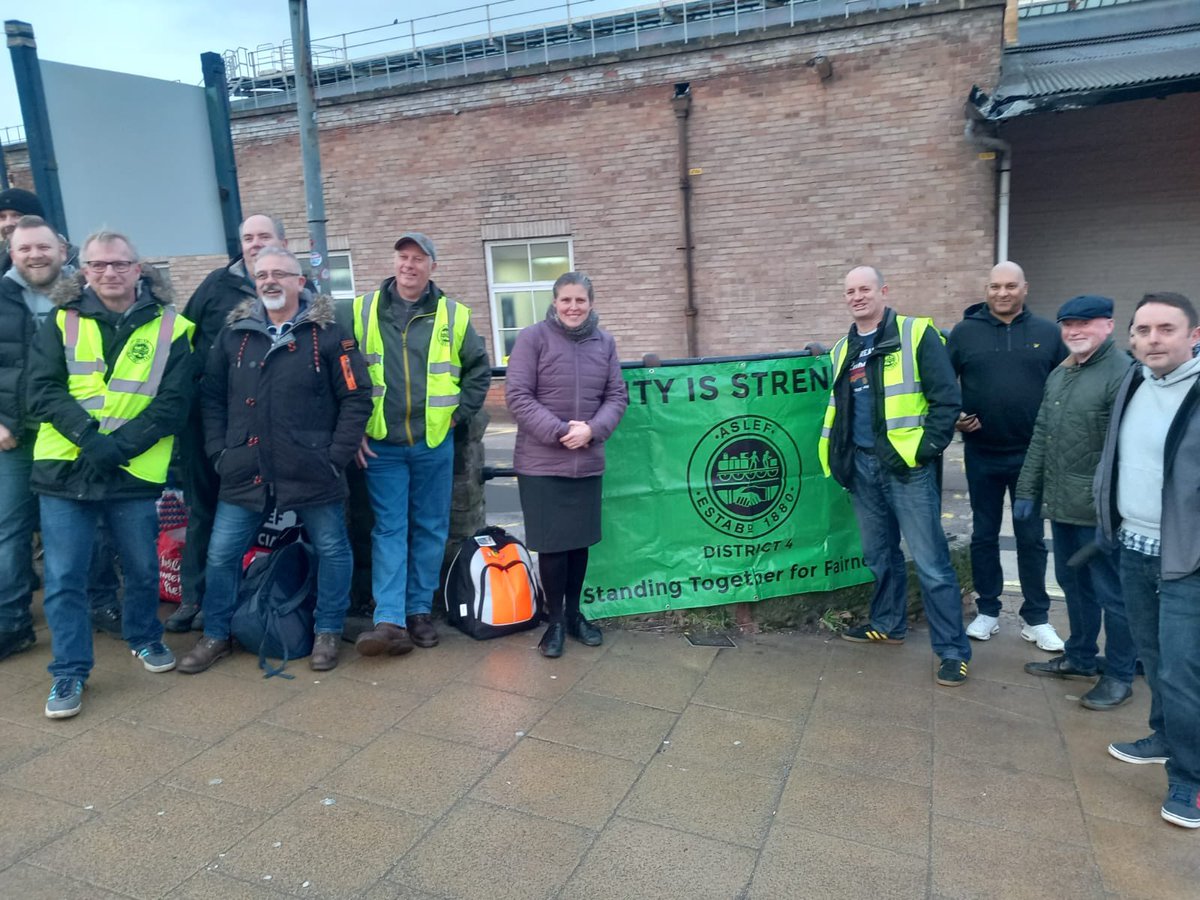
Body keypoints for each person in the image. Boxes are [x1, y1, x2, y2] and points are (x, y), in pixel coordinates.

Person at [178, 246, 371, 674]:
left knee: (333, 550)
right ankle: (216, 633)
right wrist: (219, 452)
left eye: (280, 274)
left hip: (312, 468)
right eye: (262, 273)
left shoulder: (331, 333)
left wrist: (336, 456)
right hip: (245, 468)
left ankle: (327, 632)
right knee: (221, 555)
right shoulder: (235, 335)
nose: (269, 280)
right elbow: (211, 397)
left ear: (299, 282)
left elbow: (356, 397)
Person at [27, 230, 194, 718]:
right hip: (66, 470)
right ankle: (69, 672)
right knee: (63, 577)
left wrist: (116, 446)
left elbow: (173, 404)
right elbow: (41, 390)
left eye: (119, 264)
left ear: (138, 269)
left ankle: (145, 637)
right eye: (98, 265)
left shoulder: (173, 327)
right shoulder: (60, 321)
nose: (109, 273)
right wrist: (90, 439)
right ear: (84, 270)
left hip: (133, 471)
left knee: (142, 569)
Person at [818, 265, 971, 686]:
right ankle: (888, 624)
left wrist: (924, 449)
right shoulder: (841, 349)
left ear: (883, 290)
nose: (857, 297)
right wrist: (840, 459)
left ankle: (952, 652)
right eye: (850, 291)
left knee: (932, 563)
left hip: (906, 467)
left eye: (864, 288)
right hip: (862, 466)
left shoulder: (916, 333)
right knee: (878, 555)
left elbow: (946, 399)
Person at [340, 232, 490, 656]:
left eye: (418, 258)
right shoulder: (362, 310)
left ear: (432, 267)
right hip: (382, 444)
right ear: (394, 262)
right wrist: (354, 429)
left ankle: (419, 612)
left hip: (432, 442)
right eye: (403, 257)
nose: (409, 264)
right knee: (389, 528)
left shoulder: (454, 315)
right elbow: (343, 369)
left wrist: (457, 415)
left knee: (430, 529)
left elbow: (478, 370)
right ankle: (389, 619)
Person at [1096, 292, 1200, 829]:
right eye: (1143, 330)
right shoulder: (1134, 381)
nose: (1152, 340)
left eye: (1166, 329)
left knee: (1185, 670)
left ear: (1194, 336)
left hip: (1188, 558)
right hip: (1134, 547)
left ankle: (1193, 779)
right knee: (1156, 658)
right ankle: (1164, 735)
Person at [170, 214, 289, 634]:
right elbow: (179, 341)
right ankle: (194, 598)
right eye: (248, 238)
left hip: (267, 426)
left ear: (283, 242)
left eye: (264, 236)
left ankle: (264, 594)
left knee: (267, 511)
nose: (255, 244)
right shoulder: (214, 286)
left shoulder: (296, 289)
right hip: (208, 419)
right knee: (203, 510)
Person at [1016, 295, 1135, 710]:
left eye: (1086, 322)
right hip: (1062, 506)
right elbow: (1042, 436)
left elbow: (1127, 452)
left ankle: (1120, 674)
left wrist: (1117, 511)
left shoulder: (1123, 374)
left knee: (1113, 595)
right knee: (1074, 586)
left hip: (1101, 512)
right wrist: (1028, 489)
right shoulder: (1061, 374)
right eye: (1068, 324)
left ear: (1109, 326)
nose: (1075, 331)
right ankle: (1081, 657)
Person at [505, 272, 628, 657]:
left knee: (579, 545)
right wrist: (562, 432)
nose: (573, 307)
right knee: (554, 547)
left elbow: (616, 396)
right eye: (566, 300)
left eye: (580, 301)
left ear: (591, 303)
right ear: (554, 303)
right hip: (542, 462)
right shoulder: (532, 338)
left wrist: (593, 430)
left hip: (587, 459)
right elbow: (518, 395)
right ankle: (553, 622)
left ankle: (575, 615)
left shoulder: (604, 343)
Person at [947, 261, 1066, 649]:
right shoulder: (964, 334)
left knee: (1030, 537)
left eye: (1010, 286)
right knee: (983, 534)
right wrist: (954, 417)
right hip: (982, 454)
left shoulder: (1048, 334)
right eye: (996, 286)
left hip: (1032, 456)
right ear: (987, 289)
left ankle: (1036, 618)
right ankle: (988, 611)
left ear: (1025, 289)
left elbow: (1067, 383)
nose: (1002, 293)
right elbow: (941, 385)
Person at [0, 215, 66, 661]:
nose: (35, 255)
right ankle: (12, 622)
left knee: (82, 529)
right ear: (12, 252)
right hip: (16, 436)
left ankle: (96, 606)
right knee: (11, 530)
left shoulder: (84, 293)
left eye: (43, 247)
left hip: (71, 435)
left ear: (61, 249)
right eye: (25, 249)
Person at [0, 188, 45, 274]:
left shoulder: (71, 259)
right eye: (2, 217)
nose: (8, 223)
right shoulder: (2, 259)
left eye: (17, 215)